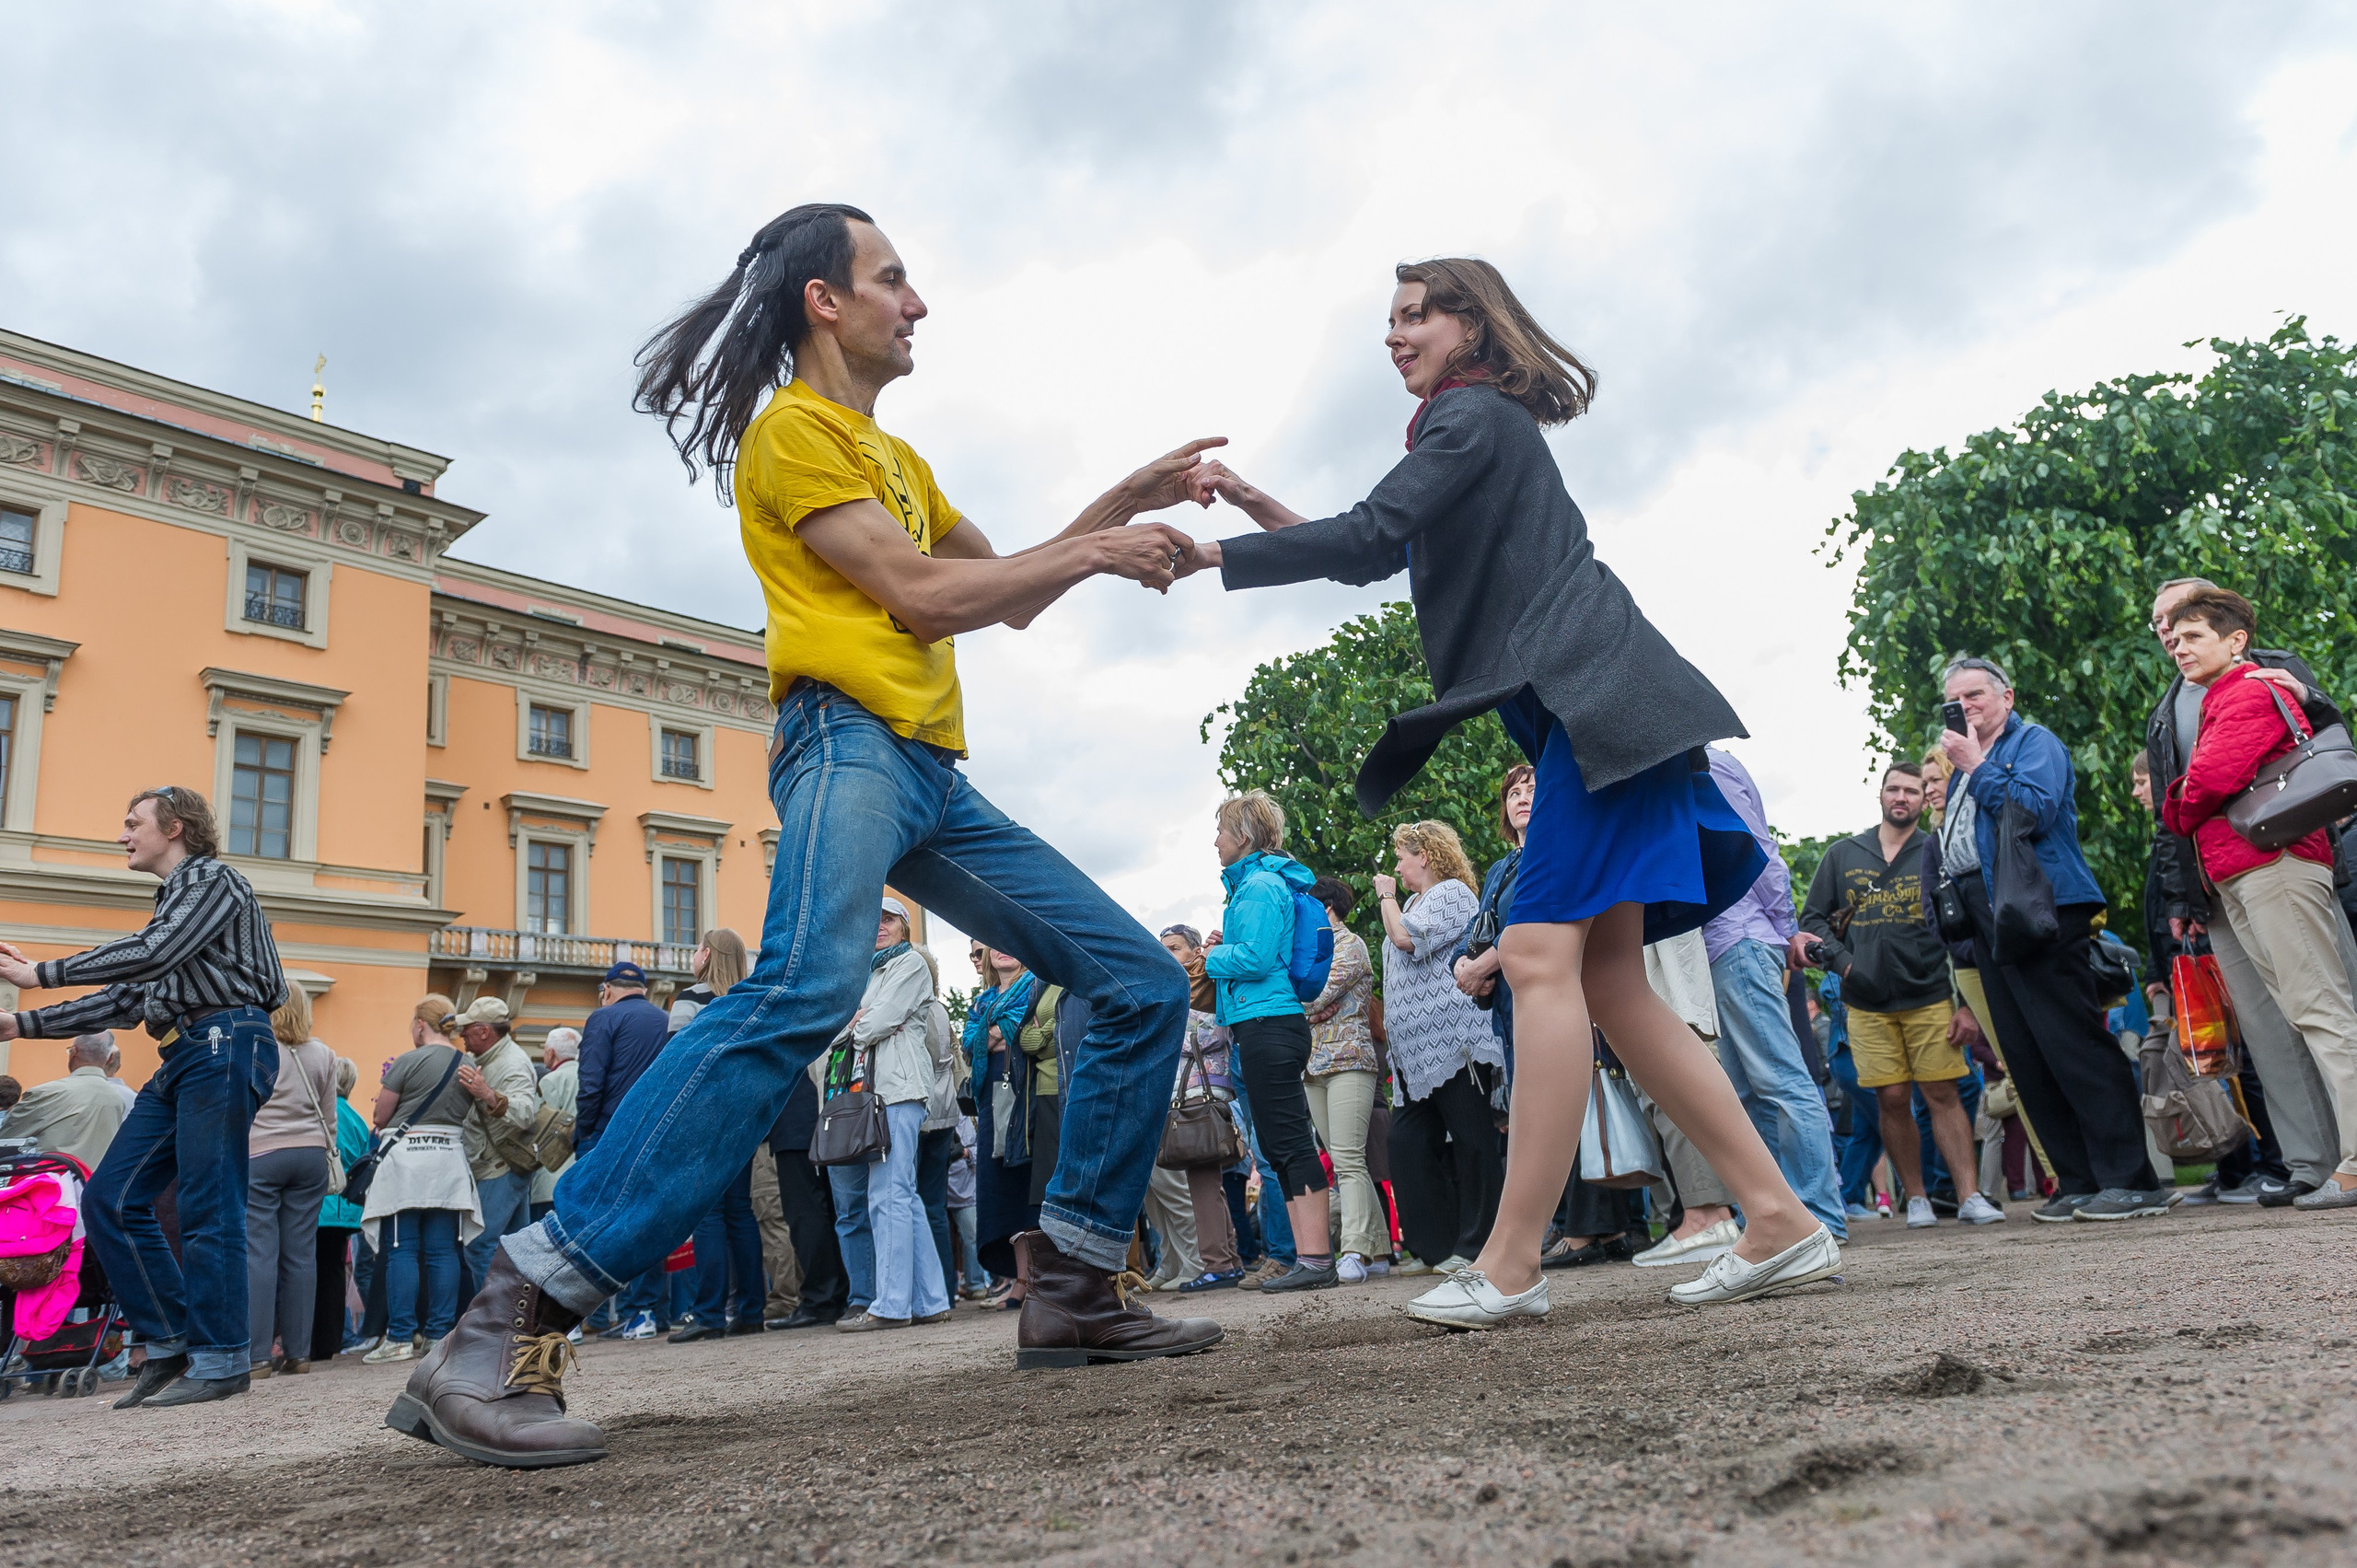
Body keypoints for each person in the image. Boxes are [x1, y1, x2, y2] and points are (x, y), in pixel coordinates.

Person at [393, 203, 1220, 1467]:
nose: (919, 302)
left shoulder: (900, 459)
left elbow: (1010, 588)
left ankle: (1075, 1283)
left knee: (1140, 974)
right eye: (895, 279)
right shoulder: (791, 433)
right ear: (825, 301)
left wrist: (1124, 501)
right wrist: (1107, 544)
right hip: (846, 742)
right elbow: (925, 595)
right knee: (798, 988)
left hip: (933, 772)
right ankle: (505, 1323)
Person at [1188, 256, 1831, 1323]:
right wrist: (1257, 506)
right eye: (1387, 321)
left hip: (1593, 706)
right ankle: (1775, 1218)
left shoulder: (1468, 416)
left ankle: (1515, 1259)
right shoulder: (1472, 428)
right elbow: (1369, 549)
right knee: (1613, 986)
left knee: (1538, 956)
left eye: (1413, 316)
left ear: (1471, 325)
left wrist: (1209, 550)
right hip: (1597, 703)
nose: (1394, 337)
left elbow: (1367, 534)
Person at [0, 785, 287, 1408]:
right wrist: (20, 1024)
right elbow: (128, 999)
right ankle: (172, 1341)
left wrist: (38, 973)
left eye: (134, 822)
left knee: (208, 1203)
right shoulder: (175, 906)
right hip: (189, 1048)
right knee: (111, 1196)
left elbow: (150, 955)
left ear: (176, 827)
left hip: (227, 1038)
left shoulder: (213, 880)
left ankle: (221, 1358)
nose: (123, 833)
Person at [2145, 576, 2349, 1206]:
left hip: (2276, 861)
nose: (2176, 643)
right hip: (2228, 874)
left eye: (2190, 632)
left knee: (2323, 1010)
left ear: (2236, 639)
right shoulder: (2186, 700)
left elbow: (2204, 782)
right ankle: (2313, 1162)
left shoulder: (2253, 682)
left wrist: (2178, 803)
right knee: (2285, 1021)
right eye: (2170, 634)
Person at [1938, 656, 2164, 1221]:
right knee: (2028, 1056)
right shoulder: (1967, 764)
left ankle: (2133, 1181)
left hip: (2043, 909)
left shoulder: (2034, 742)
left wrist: (1975, 765)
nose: (1965, 706)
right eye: (1955, 699)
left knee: (2075, 1043)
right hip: (1991, 922)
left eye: (1976, 695)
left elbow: (2032, 811)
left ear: (2007, 697)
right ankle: (2080, 1180)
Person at [1796, 762, 1996, 1228]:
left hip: (1930, 994)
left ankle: (1969, 1196)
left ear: (1924, 799)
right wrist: (1844, 965)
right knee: (1890, 1098)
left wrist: (1968, 1002)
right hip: (1865, 1001)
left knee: (1943, 1092)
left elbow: (1968, 923)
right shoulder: (1843, 854)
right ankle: (1918, 1198)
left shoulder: (1937, 849)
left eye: (1912, 790)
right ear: (1881, 795)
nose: (1901, 797)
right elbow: (1812, 920)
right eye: (1894, 789)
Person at [1699, 751, 1851, 1240]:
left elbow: (1757, 849)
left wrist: (1785, 929)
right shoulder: (1687, 764)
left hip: (1740, 936)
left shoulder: (1707, 762)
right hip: (1719, 944)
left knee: (1781, 1081)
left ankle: (1820, 1218)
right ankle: (1780, 1218)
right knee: (1746, 1093)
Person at [1201, 791, 1334, 1293]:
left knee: (1290, 1142)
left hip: (1268, 1024)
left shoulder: (1256, 886)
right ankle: (1311, 1257)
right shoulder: (1258, 885)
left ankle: (1317, 1260)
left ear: (1244, 836)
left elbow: (1255, 960)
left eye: (1221, 831)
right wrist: (1225, 947)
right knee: (1281, 1144)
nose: (1215, 842)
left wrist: (1205, 959)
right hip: (1268, 1023)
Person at [1376, 819, 1503, 1279]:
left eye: (1401, 857)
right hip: (1415, 1056)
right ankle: (1435, 1247)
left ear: (1424, 855)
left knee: (1472, 1141)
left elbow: (1406, 939)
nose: (1397, 866)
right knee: (1406, 1142)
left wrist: (1386, 895)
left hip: (1455, 1044)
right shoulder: (1413, 902)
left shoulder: (1453, 894)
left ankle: (1481, 1244)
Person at [822, 899, 953, 1332]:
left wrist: (858, 1023)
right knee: (904, 1195)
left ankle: (893, 1305)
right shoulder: (873, 971)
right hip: (880, 1093)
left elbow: (875, 1023)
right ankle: (931, 1300)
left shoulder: (911, 964)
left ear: (905, 927)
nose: (879, 926)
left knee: (889, 1196)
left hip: (896, 1090)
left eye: (889, 919)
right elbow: (846, 1027)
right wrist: (858, 1023)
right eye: (873, 919)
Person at [361, 996, 483, 1364]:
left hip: (407, 1164)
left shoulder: (407, 1061)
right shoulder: (468, 1063)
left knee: (401, 1248)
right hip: (449, 1160)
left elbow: (382, 1117)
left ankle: (399, 1337)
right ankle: (439, 1336)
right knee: (444, 1250)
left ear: (419, 1025)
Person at [662, 933, 769, 1342]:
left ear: (706, 954)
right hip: (742, 1112)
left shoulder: (690, 998)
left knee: (710, 1213)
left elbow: (676, 1061)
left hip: (704, 1114)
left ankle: (708, 1313)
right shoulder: (751, 996)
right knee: (741, 1212)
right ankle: (751, 1310)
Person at [575, 961, 674, 1340]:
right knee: (647, 1221)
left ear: (607, 990)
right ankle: (647, 1312)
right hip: (652, 1132)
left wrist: (585, 1130)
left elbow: (591, 1082)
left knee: (595, 1223)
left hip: (607, 1133)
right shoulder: (663, 1019)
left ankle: (590, 1316)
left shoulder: (603, 1018)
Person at [245, 986, 337, 1376]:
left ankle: (257, 1356)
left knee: (259, 1253)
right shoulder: (323, 1053)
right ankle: (299, 1353)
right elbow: (329, 1115)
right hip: (312, 1156)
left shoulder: (255, 1047)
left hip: (262, 1154)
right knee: (301, 1254)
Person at [1302, 876, 1384, 1283]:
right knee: (1342, 1159)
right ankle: (1379, 1249)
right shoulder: (1305, 949)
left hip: (1349, 1060)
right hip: (1312, 1065)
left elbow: (1312, 996)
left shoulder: (1350, 945)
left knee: (1349, 1158)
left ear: (1327, 907)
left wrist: (1305, 1006)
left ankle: (1353, 1249)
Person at [1159, 925, 1244, 1292]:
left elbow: (1212, 1033)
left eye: (1174, 948)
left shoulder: (1209, 982)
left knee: (1202, 1181)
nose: (1167, 956)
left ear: (1196, 952)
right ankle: (1227, 1261)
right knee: (1207, 1182)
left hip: (1202, 1094)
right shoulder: (1177, 990)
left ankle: (1218, 1264)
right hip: (1191, 1094)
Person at [453, 997, 541, 1296]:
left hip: (499, 1167)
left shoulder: (511, 1063)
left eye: (466, 1029)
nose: (462, 1035)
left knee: (479, 1245)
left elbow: (525, 1113)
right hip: (504, 1165)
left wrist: (487, 1094)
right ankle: (516, 1321)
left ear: (483, 1031)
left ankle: (492, 1322)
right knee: (515, 1251)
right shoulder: (496, 1058)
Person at [312, 1055, 372, 1362]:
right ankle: (330, 1341)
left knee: (307, 1270)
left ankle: (304, 1341)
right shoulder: (358, 1120)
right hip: (346, 1208)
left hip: (318, 1202)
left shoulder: (322, 1112)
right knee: (335, 1273)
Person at [3, 1032, 127, 1171]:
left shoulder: (47, 1093)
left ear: (74, 1052)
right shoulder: (117, 1099)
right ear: (110, 1058)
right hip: (94, 1187)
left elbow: (6, 1139)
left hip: (50, 1186)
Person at [528, 1028, 581, 1223]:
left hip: (550, 1178)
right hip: (579, 1177)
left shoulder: (551, 1080)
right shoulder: (590, 1077)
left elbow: (536, 1127)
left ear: (551, 1052)